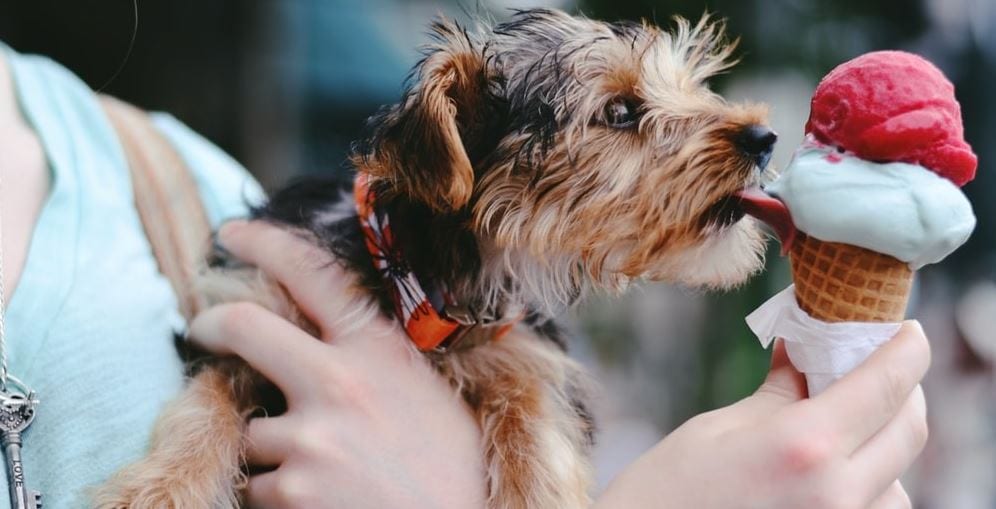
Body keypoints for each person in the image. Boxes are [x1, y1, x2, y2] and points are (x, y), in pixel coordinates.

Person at [0, 42, 928, 509]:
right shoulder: (269, 244)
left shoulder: (177, 184)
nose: (746, 129)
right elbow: (224, 369)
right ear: (458, 152)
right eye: (620, 114)